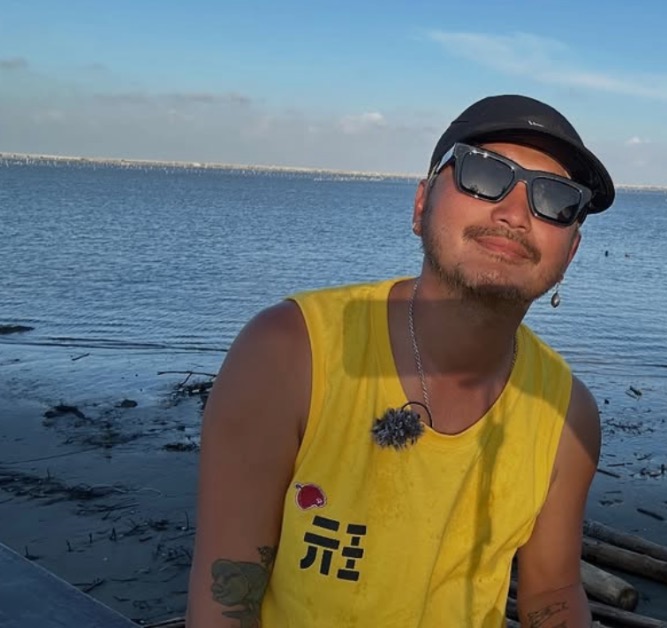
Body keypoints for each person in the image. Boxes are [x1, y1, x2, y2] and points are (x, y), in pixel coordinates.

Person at [186, 94, 616, 627]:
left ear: (570, 253)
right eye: (484, 174)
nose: (514, 213)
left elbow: (552, 591)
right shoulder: (290, 352)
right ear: (421, 204)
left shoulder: (567, 414)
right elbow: (226, 595)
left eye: (555, 198)